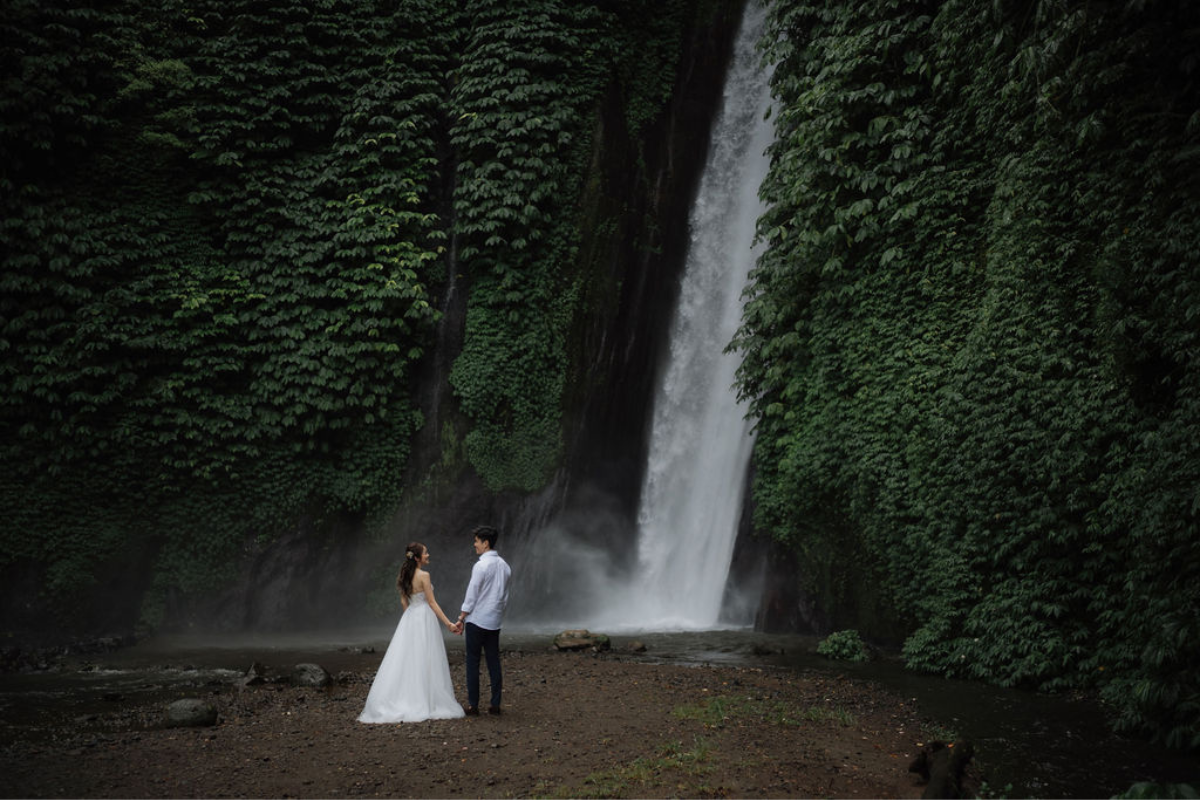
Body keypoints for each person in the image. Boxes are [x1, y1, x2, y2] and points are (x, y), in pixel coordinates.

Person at [358, 542, 464, 723]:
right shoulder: (424, 575)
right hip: (424, 617)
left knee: (407, 658)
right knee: (426, 657)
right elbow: (432, 602)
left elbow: (403, 603)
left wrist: (408, 617)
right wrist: (448, 624)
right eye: (425, 553)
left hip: (410, 616)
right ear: (417, 558)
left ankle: (405, 696)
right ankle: (424, 698)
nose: (428, 555)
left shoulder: (404, 575)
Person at [451, 525, 511, 715]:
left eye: (476, 541)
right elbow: (505, 596)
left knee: (472, 662)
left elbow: (472, 595)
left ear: (485, 543)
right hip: (495, 621)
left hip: (477, 621)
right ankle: (495, 704)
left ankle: (473, 705)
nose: (474, 544)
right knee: (493, 660)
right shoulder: (505, 566)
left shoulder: (481, 566)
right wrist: (498, 613)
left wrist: (461, 617)